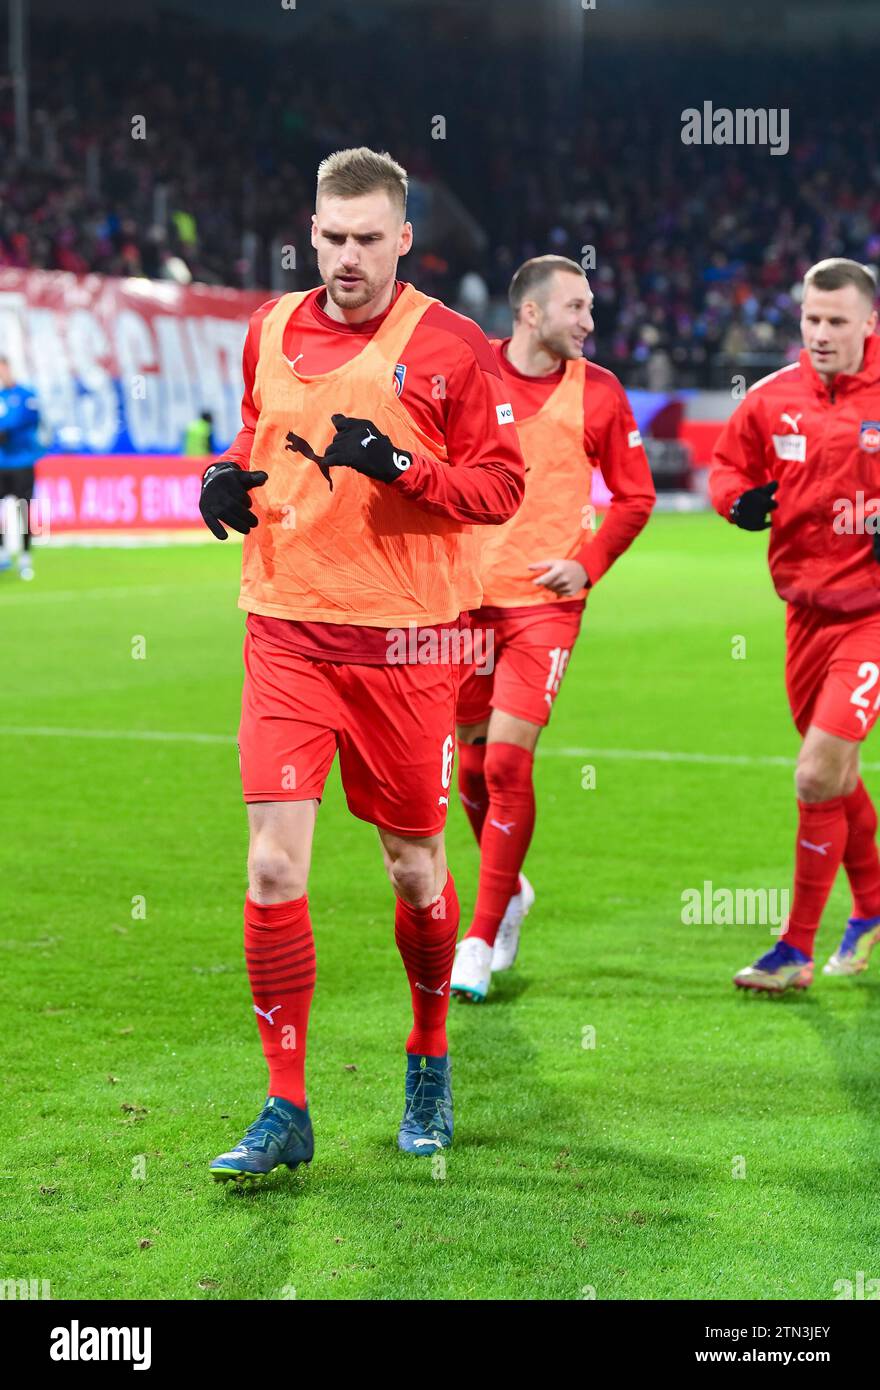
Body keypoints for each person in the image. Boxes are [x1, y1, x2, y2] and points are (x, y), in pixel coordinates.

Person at [198, 147, 525, 1180]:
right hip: (286, 628)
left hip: (404, 645)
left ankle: (427, 1055)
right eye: (329, 237)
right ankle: (284, 1104)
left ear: (402, 239)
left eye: (364, 239)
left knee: (413, 866)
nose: (343, 256)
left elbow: (501, 487)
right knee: (270, 866)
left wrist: (404, 467)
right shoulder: (268, 326)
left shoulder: (450, 345)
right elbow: (257, 438)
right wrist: (220, 480)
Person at [450, 256, 655, 1001]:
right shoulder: (471, 378)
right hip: (468, 600)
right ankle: (513, 893)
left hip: (545, 605)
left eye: (591, 307)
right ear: (531, 313)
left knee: (507, 765)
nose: (590, 322)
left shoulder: (598, 392)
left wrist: (587, 564)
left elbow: (636, 496)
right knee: (469, 761)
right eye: (577, 308)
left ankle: (479, 935)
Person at [710, 257, 880, 992]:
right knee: (835, 777)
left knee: (814, 772)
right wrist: (736, 503)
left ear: (869, 324)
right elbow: (726, 470)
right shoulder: (773, 399)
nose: (820, 333)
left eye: (836, 321)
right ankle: (872, 909)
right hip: (803, 617)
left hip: (872, 616)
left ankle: (795, 949)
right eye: (811, 319)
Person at [0, 357, 41, 581]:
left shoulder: (26, 395)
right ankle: (3, 553)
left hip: (22, 463)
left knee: (23, 509)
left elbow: (27, 422)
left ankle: (25, 556)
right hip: (1, 463)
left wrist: (7, 431)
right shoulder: (1, 397)